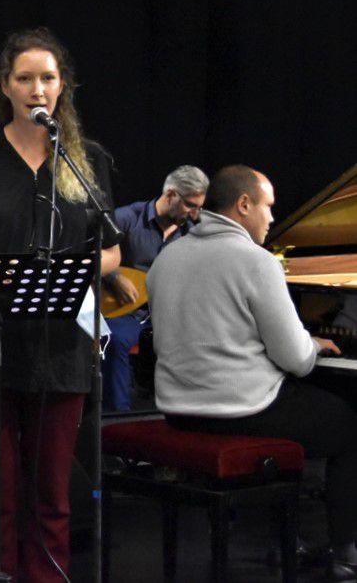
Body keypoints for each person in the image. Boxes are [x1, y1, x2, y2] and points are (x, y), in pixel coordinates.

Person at [0, 27, 122, 582]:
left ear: (63, 87)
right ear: (5, 87)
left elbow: (111, 251)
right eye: (25, 78)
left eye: (48, 78)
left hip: (60, 347)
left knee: (52, 492)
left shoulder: (88, 160)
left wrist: (77, 270)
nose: (38, 89)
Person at [147, 165, 357, 580]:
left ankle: (286, 535)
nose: (273, 219)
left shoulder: (166, 257)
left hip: (178, 411)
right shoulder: (255, 261)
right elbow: (297, 359)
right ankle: (345, 553)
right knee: (350, 426)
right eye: (268, 207)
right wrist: (312, 342)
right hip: (240, 411)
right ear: (243, 205)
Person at [101, 165, 208, 411]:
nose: (194, 214)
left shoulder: (193, 235)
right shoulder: (127, 219)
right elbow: (94, 252)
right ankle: (117, 419)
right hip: (125, 310)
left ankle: (183, 415)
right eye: (190, 205)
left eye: (199, 208)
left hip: (167, 315)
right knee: (114, 340)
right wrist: (114, 277)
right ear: (170, 194)